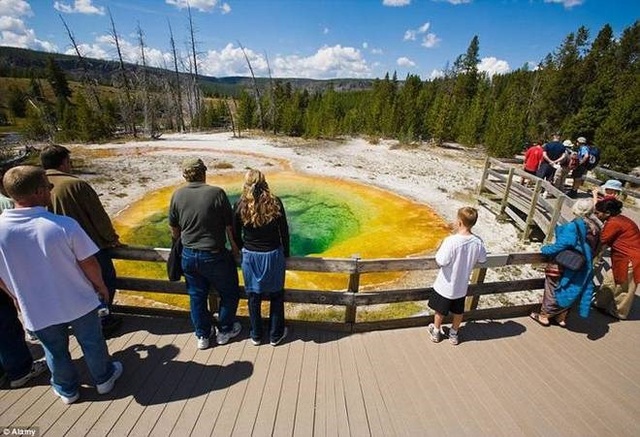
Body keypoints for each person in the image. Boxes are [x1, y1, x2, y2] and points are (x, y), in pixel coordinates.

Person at [0, 165, 122, 404]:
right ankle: (103, 379)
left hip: (35, 306)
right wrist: (101, 286)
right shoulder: (63, 225)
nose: (50, 190)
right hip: (78, 299)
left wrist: (15, 295)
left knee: (54, 349)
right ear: (37, 192)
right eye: (48, 186)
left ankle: (67, 390)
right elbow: (89, 263)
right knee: (92, 342)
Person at [40, 145, 122, 336]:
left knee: (69, 284)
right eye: (69, 162)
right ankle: (104, 320)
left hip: (52, 250)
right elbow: (98, 216)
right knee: (104, 280)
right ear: (64, 163)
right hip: (87, 246)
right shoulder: (75, 185)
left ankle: (75, 320)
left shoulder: (34, 186)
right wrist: (111, 239)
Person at [169, 158, 242, 349]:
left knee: (196, 296)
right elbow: (229, 227)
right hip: (214, 254)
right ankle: (225, 330)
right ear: (203, 172)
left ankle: (202, 334)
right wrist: (235, 250)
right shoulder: (216, 193)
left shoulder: (177, 195)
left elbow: (174, 230)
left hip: (189, 255)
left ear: (185, 174)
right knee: (229, 292)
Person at [233, 169, 290, 346]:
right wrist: (286, 253)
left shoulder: (239, 204)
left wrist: (243, 249)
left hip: (250, 255)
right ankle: (275, 335)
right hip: (273, 254)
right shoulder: (275, 202)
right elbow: (284, 231)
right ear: (264, 182)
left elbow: (235, 234)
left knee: (253, 297)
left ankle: (256, 335)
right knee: (276, 295)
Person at [530, 199, 600, 327]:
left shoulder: (573, 226)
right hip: (581, 265)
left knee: (553, 288)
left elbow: (562, 244)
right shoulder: (594, 227)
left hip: (565, 263)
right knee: (571, 288)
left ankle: (544, 316)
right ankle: (561, 317)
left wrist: (545, 249)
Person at [427, 207, 487, 346]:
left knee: (440, 310)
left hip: (446, 284)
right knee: (458, 311)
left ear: (459, 222)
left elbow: (441, 261)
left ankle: (436, 331)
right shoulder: (477, 242)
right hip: (461, 286)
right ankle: (454, 333)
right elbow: (482, 259)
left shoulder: (451, 241)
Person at [592, 198, 640, 319]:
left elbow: (602, 240)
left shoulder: (614, 223)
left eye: (598, 213)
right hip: (623, 257)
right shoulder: (621, 220)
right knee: (610, 280)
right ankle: (600, 303)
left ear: (607, 213)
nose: (596, 215)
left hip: (631, 258)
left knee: (624, 287)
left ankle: (619, 312)